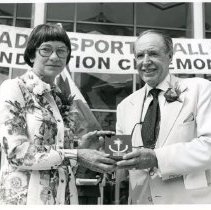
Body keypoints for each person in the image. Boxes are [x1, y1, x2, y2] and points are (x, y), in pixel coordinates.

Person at [0, 23, 116, 205]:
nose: (54, 57)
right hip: (26, 200)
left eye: (62, 51)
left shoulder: (60, 98)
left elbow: (60, 156)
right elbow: (16, 153)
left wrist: (81, 148)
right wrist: (76, 154)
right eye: (46, 50)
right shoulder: (14, 88)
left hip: (64, 197)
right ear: (31, 54)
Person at [116, 29, 211, 204]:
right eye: (139, 55)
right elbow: (121, 158)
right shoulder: (124, 107)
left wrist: (157, 158)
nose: (145, 62)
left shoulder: (201, 89)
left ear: (170, 56)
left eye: (153, 53)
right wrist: (103, 157)